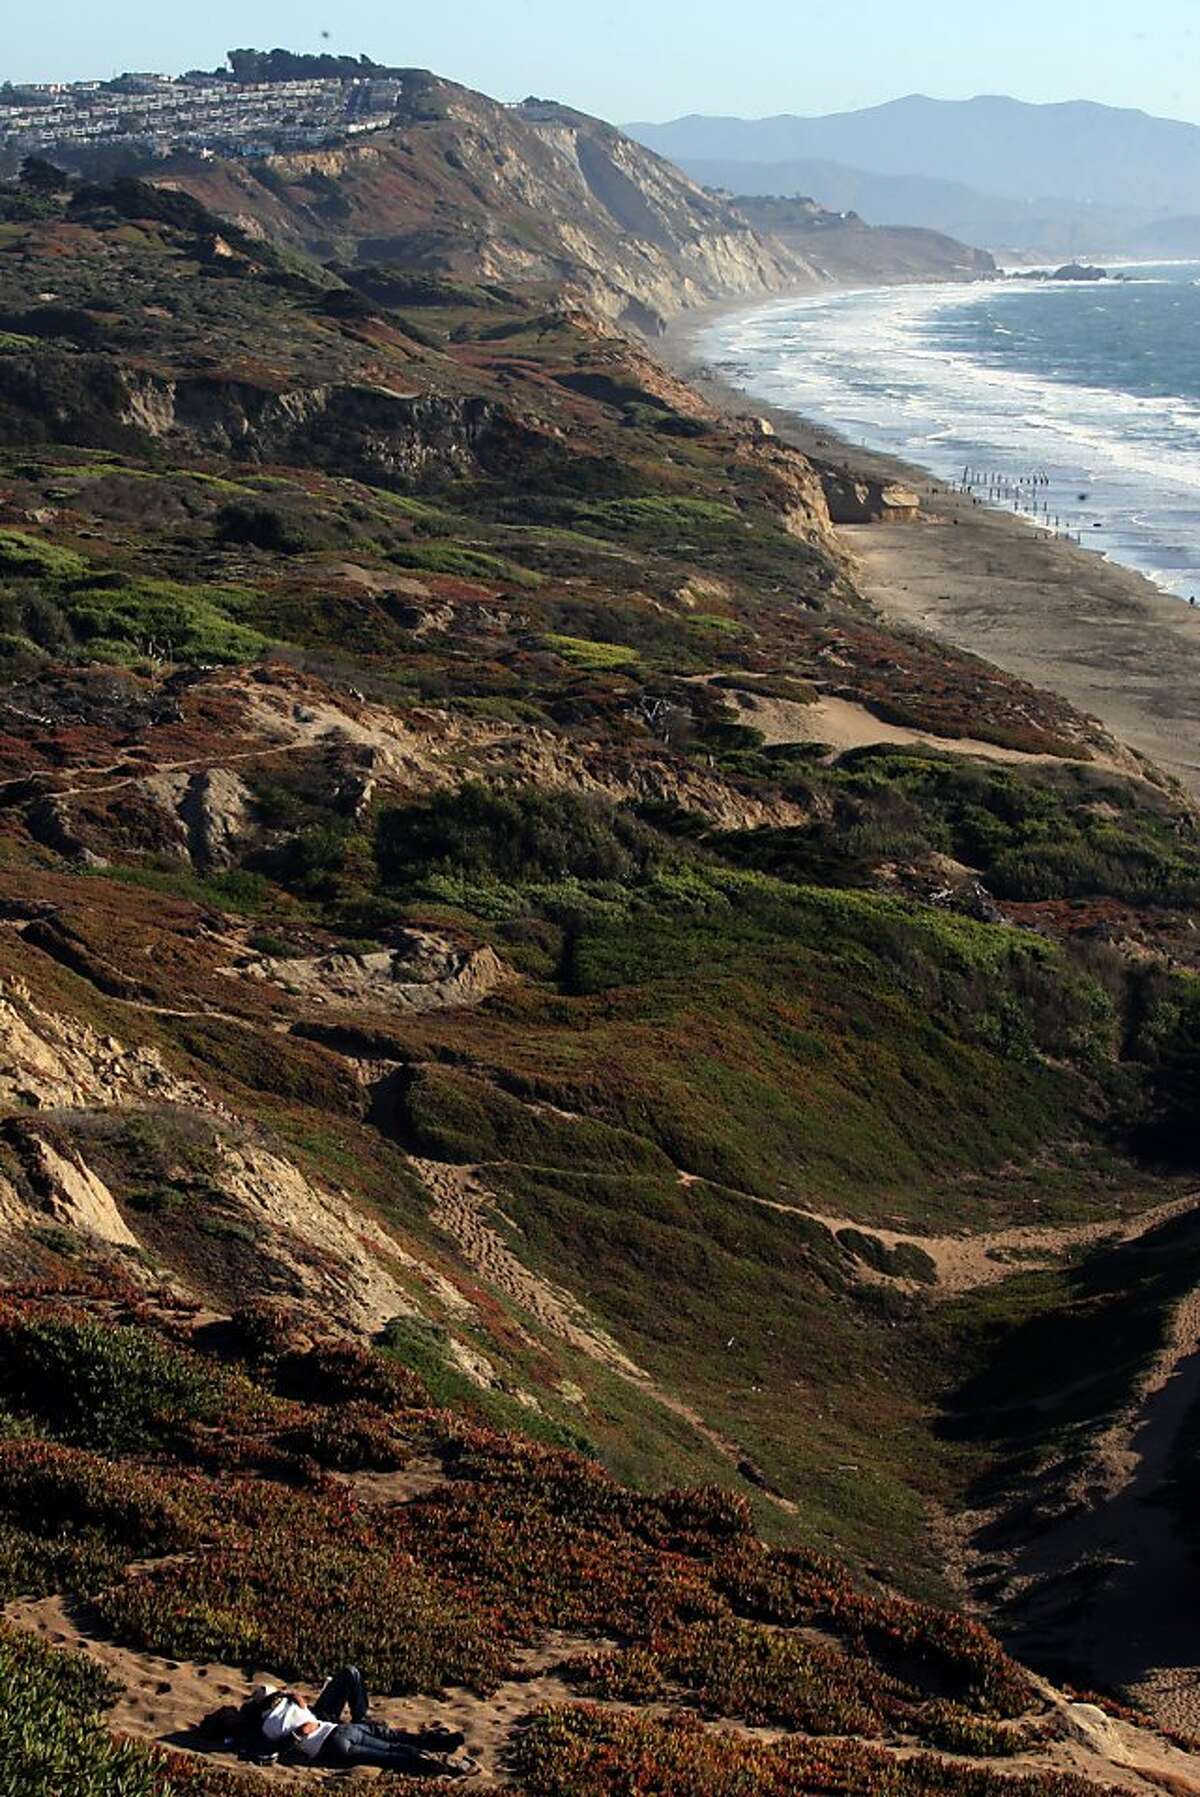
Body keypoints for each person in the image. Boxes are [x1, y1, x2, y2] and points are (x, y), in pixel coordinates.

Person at [254, 1666, 477, 1777]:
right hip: (338, 1730)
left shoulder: (268, 1727)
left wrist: (299, 1732)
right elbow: (302, 1710)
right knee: (391, 1740)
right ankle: (437, 1748)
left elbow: (276, 1745)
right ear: (276, 1697)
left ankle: (442, 1762)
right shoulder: (291, 1704)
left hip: (333, 1740)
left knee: (390, 1753)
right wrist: (291, 1698)